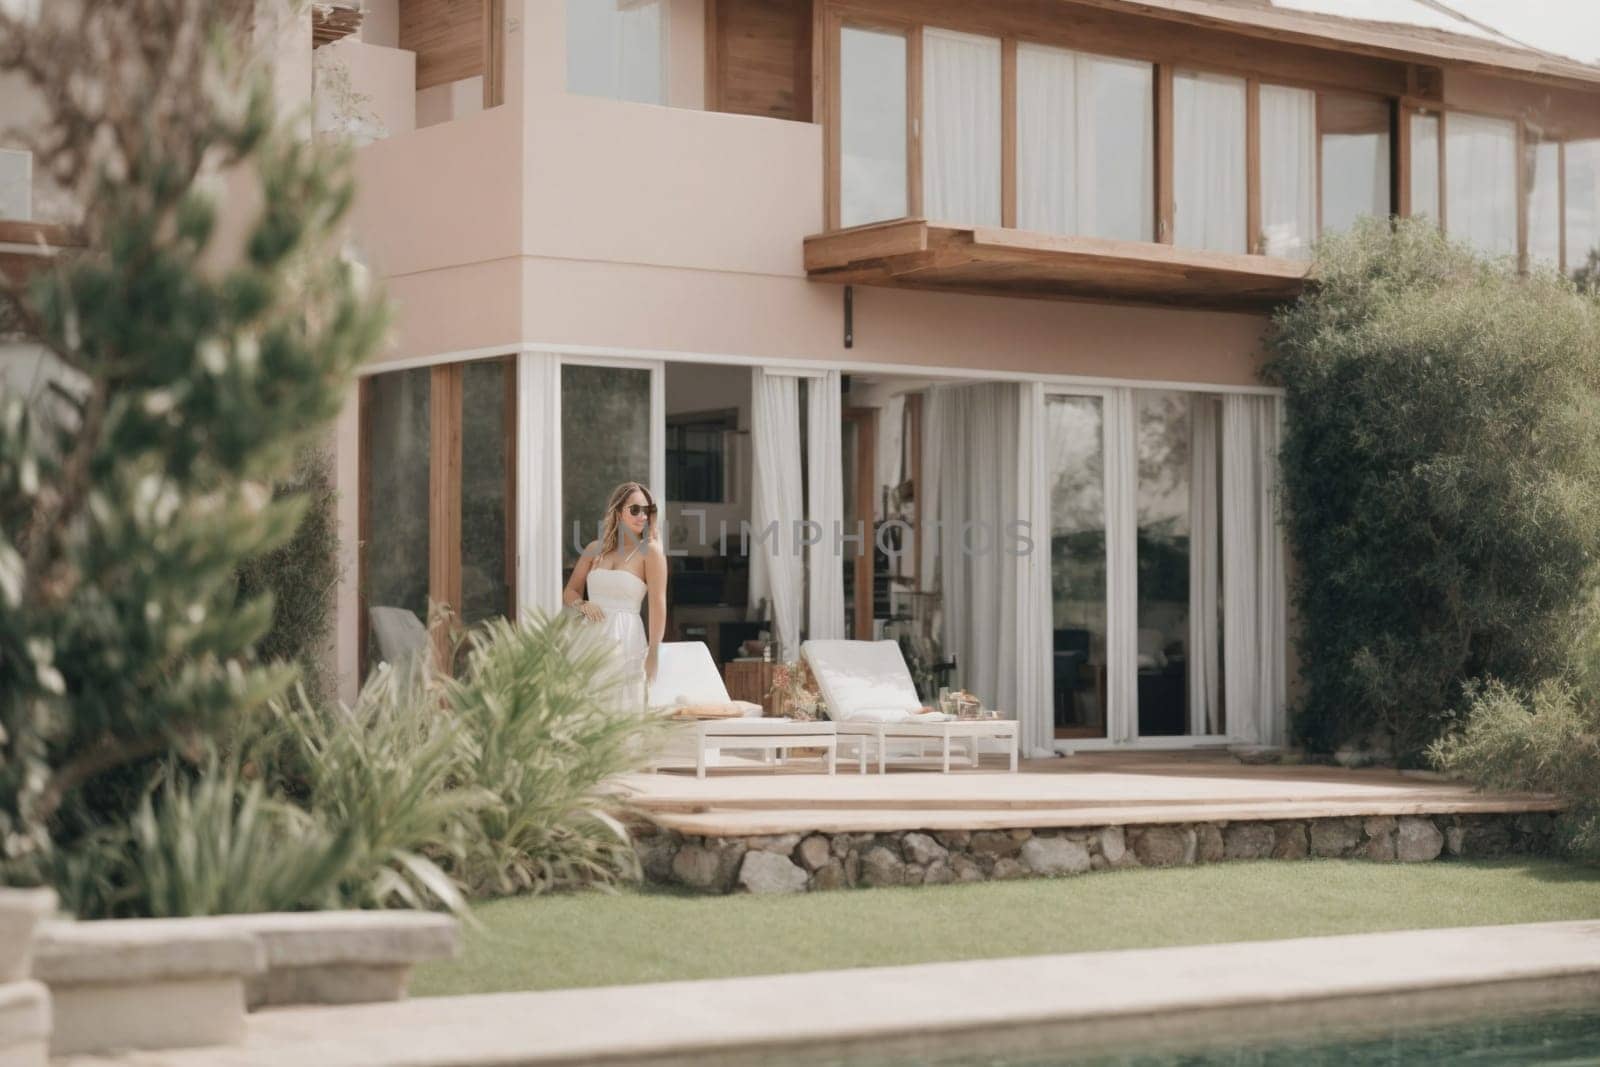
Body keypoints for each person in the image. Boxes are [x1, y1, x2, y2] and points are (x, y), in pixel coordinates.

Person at [561, 481, 667, 709]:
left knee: (621, 708)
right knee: (585, 707)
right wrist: (581, 604)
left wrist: (654, 651)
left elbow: (658, 604)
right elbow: (570, 591)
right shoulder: (594, 549)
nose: (642, 516)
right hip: (589, 637)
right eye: (635, 509)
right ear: (619, 512)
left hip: (626, 638)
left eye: (647, 511)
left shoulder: (650, 552)